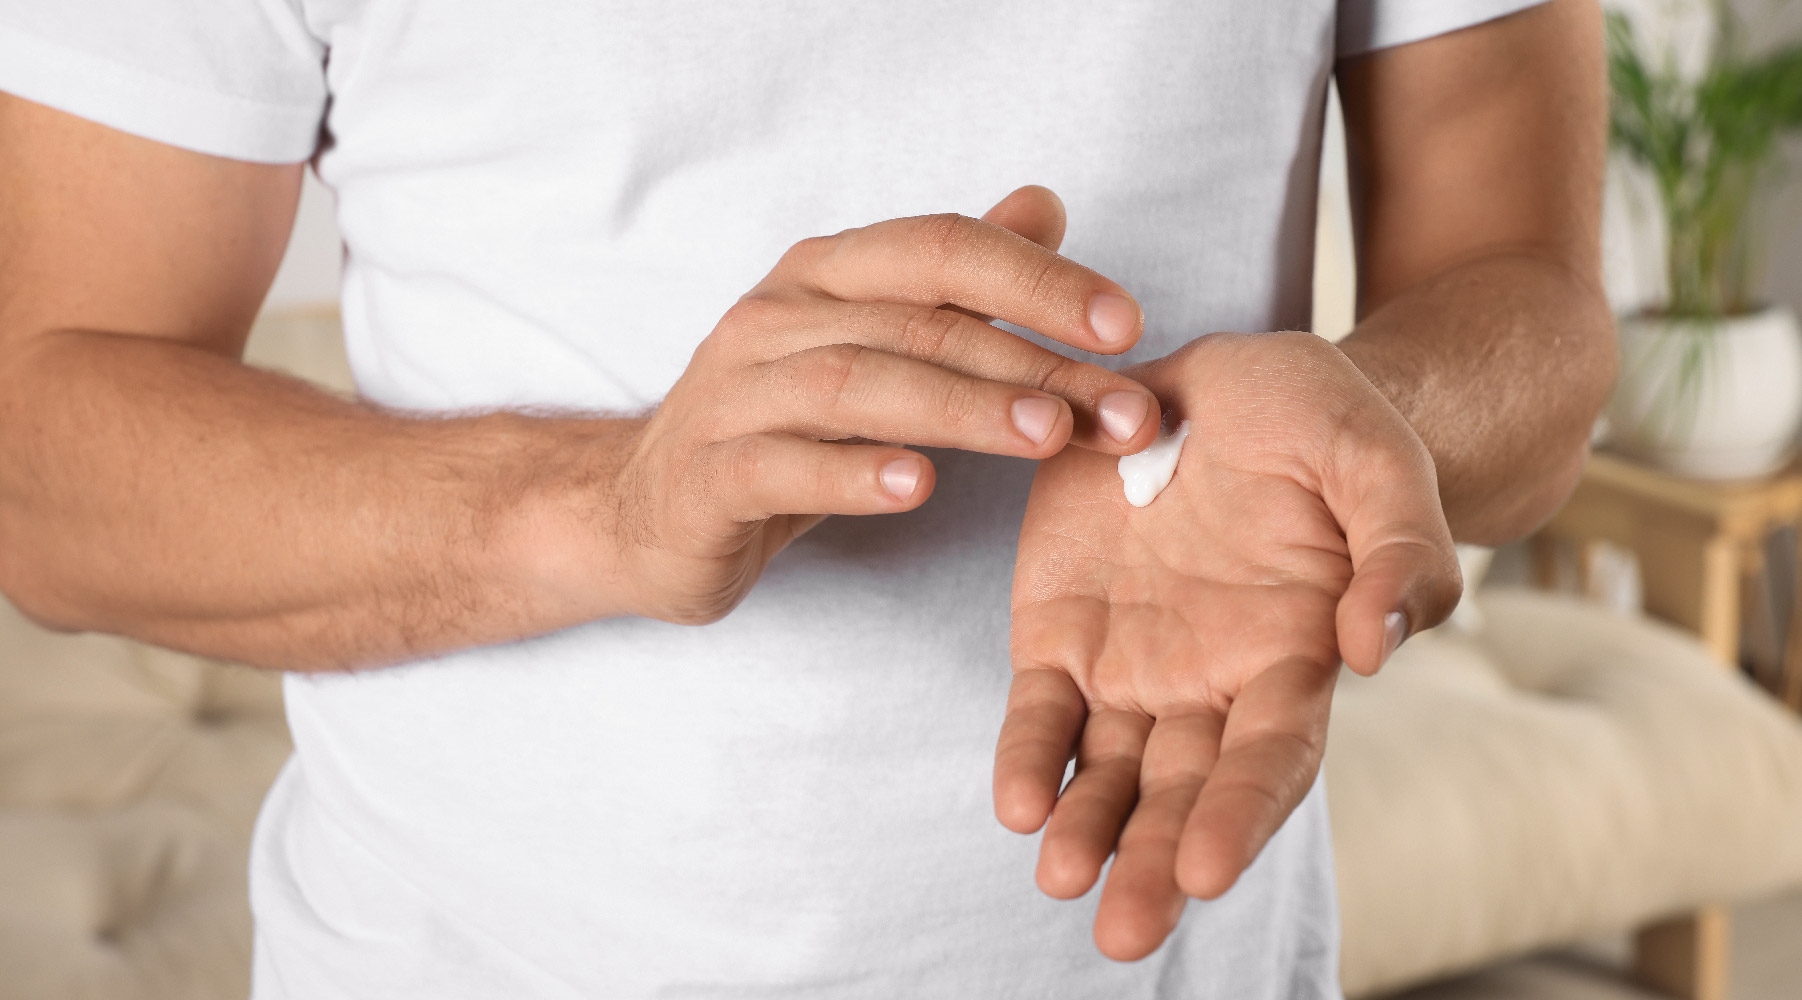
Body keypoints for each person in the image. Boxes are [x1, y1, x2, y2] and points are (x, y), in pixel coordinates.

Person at [0, 0, 1613, 995]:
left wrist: (1364, 413)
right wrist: (603, 504)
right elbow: (42, 460)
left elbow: (1531, 317)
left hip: (1177, 943)